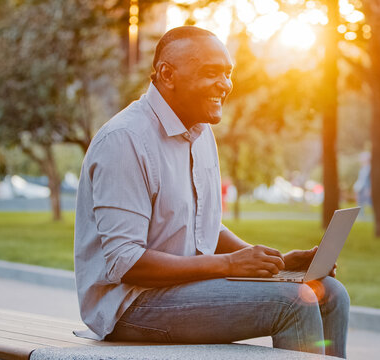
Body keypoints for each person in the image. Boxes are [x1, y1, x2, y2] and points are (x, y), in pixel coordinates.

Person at [73, 26, 349, 358]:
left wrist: (277, 265)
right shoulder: (125, 140)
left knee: (328, 292)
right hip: (130, 305)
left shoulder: (200, 133)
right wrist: (228, 265)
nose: (225, 85)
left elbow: (203, 228)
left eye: (227, 74)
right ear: (167, 74)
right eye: (211, 73)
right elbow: (126, 263)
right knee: (292, 303)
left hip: (184, 290)